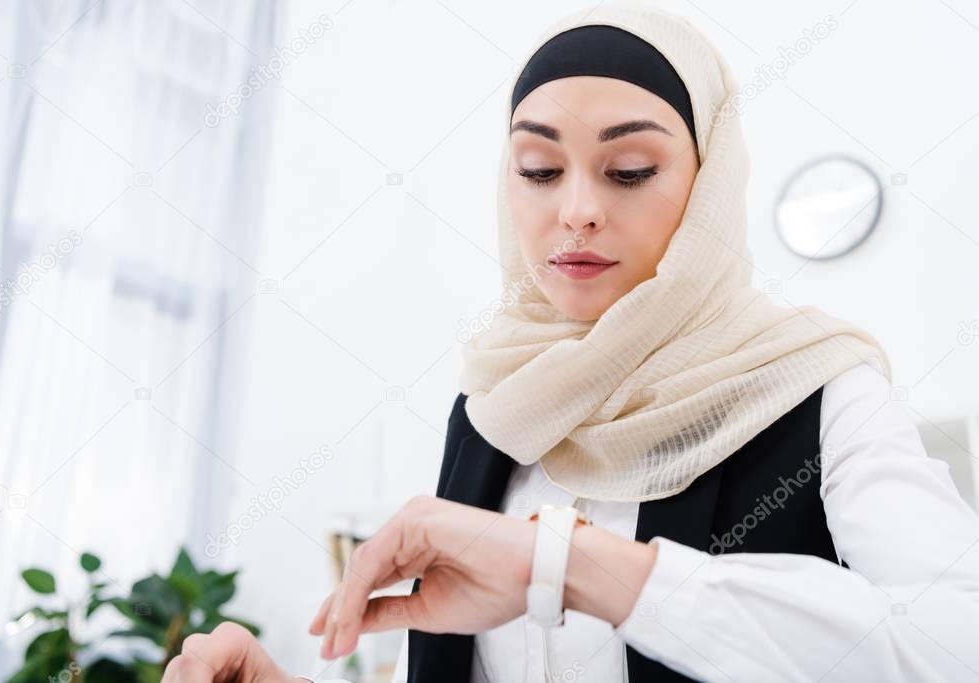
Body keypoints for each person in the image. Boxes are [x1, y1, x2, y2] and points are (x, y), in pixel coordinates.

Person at [162, 2, 979, 682]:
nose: (577, 209)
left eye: (627, 169)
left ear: (710, 183)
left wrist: (566, 565)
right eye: (538, 168)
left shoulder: (817, 389)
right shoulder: (492, 408)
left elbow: (952, 641)